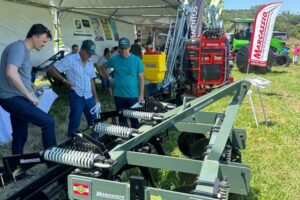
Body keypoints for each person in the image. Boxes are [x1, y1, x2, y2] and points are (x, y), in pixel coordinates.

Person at [0, 24, 56, 155]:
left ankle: (16, 169)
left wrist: (32, 87)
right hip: (12, 97)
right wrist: (29, 95)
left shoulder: (24, 50)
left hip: (15, 96)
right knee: (48, 122)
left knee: (20, 134)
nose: (44, 45)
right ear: (34, 36)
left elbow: (19, 75)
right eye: (43, 41)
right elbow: (11, 73)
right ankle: (54, 162)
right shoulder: (18, 48)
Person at [47, 40, 101, 137]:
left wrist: (95, 97)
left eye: (91, 54)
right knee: (75, 121)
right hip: (76, 95)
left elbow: (91, 80)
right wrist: (64, 81)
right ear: (82, 50)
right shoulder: (70, 59)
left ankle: (96, 140)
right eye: (88, 54)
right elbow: (51, 69)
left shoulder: (89, 62)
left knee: (94, 121)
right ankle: (71, 141)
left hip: (89, 96)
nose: (90, 56)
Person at [100, 37, 144, 128]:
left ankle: (137, 141)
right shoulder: (114, 59)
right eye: (121, 48)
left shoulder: (136, 60)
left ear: (129, 48)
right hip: (119, 95)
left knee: (135, 119)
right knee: (122, 119)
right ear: (119, 48)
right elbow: (102, 67)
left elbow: (141, 78)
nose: (123, 50)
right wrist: (109, 78)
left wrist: (141, 95)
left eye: (125, 48)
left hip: (133, 95)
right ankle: (124, 138)